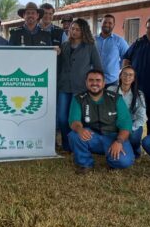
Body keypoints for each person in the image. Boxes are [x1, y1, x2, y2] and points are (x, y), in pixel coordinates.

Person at [68, 70, 134, 170]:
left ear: (103, 83)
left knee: (124, 161)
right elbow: (74, 121)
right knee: (74, 135)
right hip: (92, 136)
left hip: (113, 137)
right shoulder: (78, 99)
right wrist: (80, 129)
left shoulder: (116, 98)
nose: (94, 83)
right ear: (86, 82)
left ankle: (112, 160)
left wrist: (119, 141)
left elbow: (126, 124)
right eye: (91, 80)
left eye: (98, 80)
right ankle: (85, 163)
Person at [57, 18, 101, 152]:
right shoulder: (64, 45)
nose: (74, 31)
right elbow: (59, 65)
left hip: (81, 88)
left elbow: (98, 67)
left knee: (76, 118)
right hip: (64, 86)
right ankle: (66, 144)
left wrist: (95, 85)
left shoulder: (90, 46)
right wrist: (57, 54)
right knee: (62, 117)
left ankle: (76, 144)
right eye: (72, 29)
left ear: (83, 31)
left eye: (77, 29)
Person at [123, 17, 150, 130]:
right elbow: (126, 58)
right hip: (136, 88)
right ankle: (132, 136)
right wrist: (126, 75)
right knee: (133, 116)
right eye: (149, 27)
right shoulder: (139, 42)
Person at [107, 65, 146, 157]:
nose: (127, 77)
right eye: (125, 74)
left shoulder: (139, 94)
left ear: (134, 78)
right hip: (115, 123)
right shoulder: (110, 90)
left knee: (133, 136)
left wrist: (128, 129)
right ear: (120, 76)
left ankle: (135, 150)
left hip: (132, 124)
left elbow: (142, 117)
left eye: (130, 75)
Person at [95, 14, 128, 86]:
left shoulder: (119, 41)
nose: (107, 25)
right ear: (101, 23)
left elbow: (126, 58)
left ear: (114, 25)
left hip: (111, 81)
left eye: (110, 23)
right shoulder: (93, 40)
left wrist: (116, 68)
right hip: (94, 80)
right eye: (105, 22)